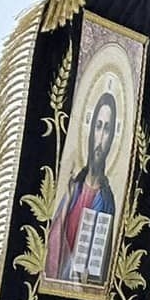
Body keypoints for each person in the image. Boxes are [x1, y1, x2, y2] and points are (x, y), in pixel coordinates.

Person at [45, 90, 122, 285]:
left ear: (111, 137)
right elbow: (51, 247)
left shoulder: (107, 201)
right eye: (98, 126)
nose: (100, 138)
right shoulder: (75, 190)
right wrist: (66, 205)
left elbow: (102, 266)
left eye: (107, 129)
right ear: (91, 133)